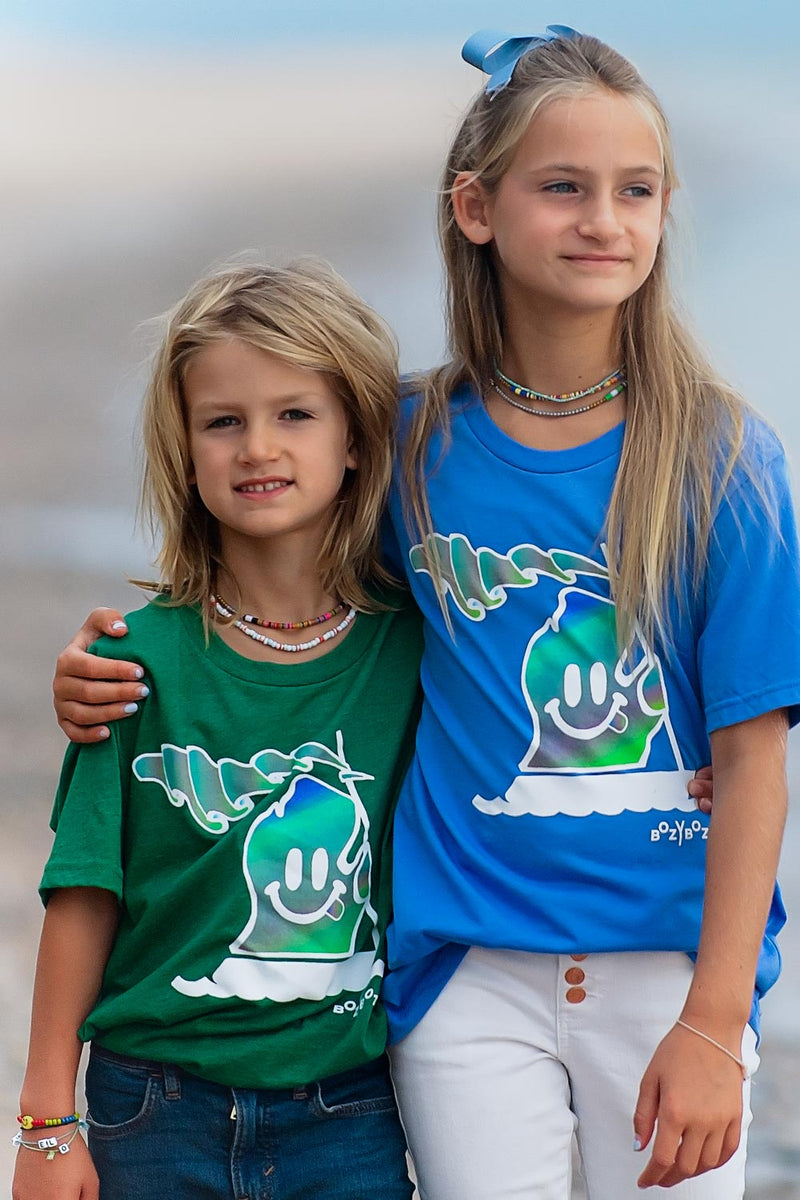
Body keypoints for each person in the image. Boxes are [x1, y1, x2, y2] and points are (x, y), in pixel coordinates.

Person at [48, 27, 784, 1200]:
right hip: (464, 977)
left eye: (635, 190)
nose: (604, 218)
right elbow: (275, 594)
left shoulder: (722, 460)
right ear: (475, 207)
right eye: (564, 186)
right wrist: (103, 667)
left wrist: (712, 1019)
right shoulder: (406, 442)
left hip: (665, 967)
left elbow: (753, 756)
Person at [15, 262, 422, 1200]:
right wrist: (45, 1123)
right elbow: (83, 894)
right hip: (151, 1107)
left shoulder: (415, 653)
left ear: (358, 439)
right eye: (223, 421)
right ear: (185, 449)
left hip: (350, 1113)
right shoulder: (133, 662)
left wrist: (691, 768)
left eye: (294, 414)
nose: (256, 448)